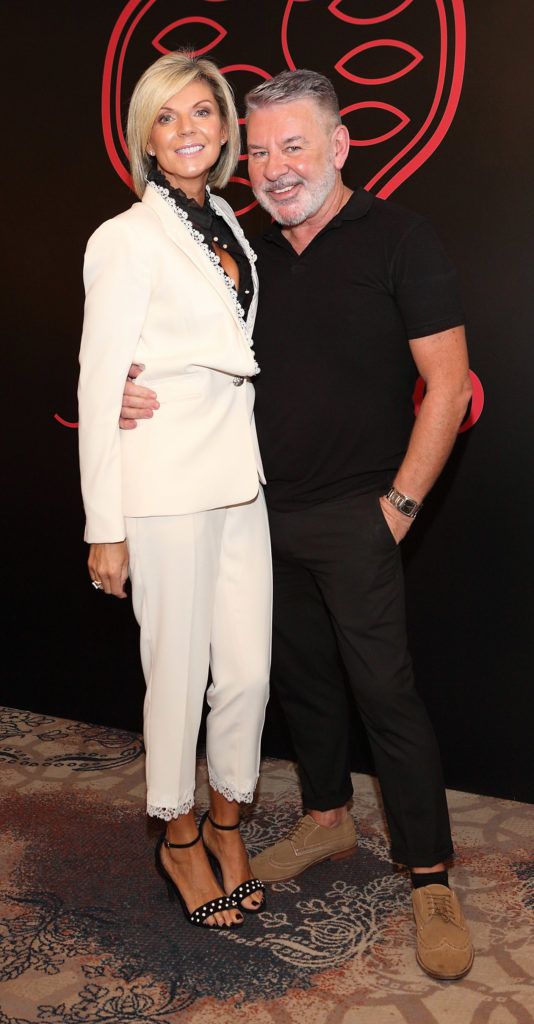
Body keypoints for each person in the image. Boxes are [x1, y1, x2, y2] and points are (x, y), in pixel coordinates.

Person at [119, 69, 475, 978]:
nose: (277, 167)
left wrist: (398, 506)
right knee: (301, 684)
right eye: (263, 149)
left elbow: (447, 382)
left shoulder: (401, 237)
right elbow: (176, 345)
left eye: (295, 145)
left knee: (385, 693)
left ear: (339, 144)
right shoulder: (242, 249)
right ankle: (324, 821)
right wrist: (130, 387)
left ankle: (428, 872)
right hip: (254, 515)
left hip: (362, 514)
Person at [78, 51, 272, 930]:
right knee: (177, 674)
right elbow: (97, 380)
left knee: (247, 675)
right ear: (145, 138)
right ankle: (181, 831)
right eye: (168, 117)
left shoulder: (229, 216)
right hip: (163, 484)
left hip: (239, 477)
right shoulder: (124, 237)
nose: (188, 130)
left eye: (203, 112)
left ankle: (230, 813)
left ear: (227, 128)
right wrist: (105, 526)